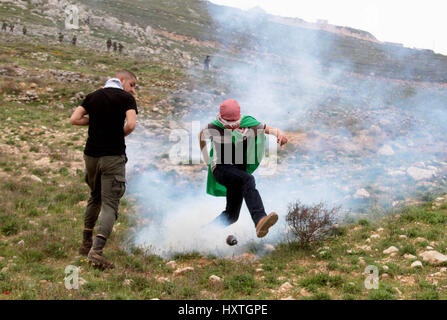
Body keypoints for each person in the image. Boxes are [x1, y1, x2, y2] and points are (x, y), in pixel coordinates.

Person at [69, 70, 138, 269]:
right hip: (112, 156)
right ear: (122, 80)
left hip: (91, 155)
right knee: (110, 204)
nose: (133, 89)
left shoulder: (92, 96)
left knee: (94, 196)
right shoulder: (126, 98)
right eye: (132, 84)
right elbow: (131, 124)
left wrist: (95, 120)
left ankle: (85, 243)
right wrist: (118, 134)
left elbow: (74, 119)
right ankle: (97, 252)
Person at [199, 99, 288, 238]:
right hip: (221, 168)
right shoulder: (214, 127)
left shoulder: (248, 123)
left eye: (235, 125)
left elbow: (270, 129)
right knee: (248, 179)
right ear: (221, 119)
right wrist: (206, 159)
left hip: (238, 171)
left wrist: (279, 135)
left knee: (232, 215)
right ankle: (259, 219)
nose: (232, 128)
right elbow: (201, 135)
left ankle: (202, 233)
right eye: (228, 125)